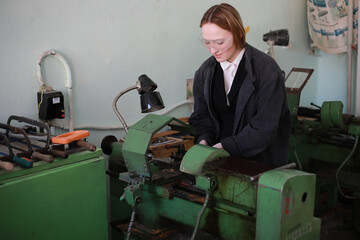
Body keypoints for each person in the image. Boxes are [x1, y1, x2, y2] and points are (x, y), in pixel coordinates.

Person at [188, 3, 291, 166]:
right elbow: (202, 118)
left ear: (237, 34)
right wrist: (203, 142)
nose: (212, 50)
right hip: (218, 164)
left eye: (219, 42)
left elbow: (264, 127)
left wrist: (225, 147)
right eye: (207, 42)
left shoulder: (267, 71)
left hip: (259, 166)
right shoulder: (204, 72)